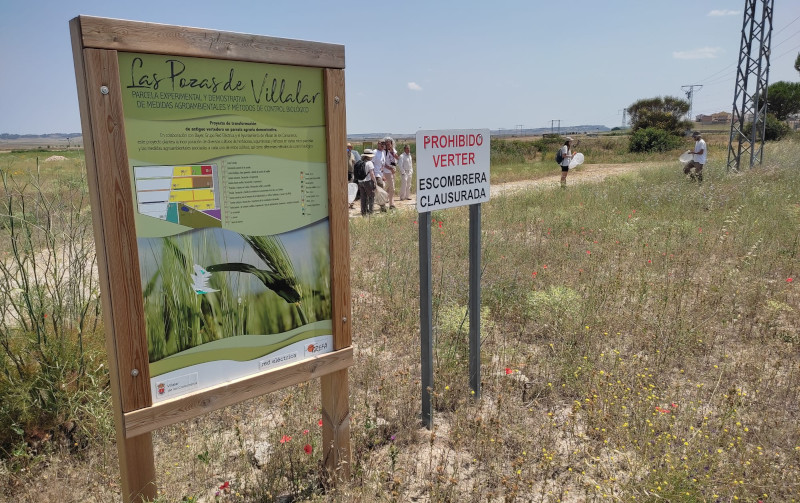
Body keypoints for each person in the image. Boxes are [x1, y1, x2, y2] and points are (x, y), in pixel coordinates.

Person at [357, 149, 376, 215]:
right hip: (368, 181)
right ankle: (371, 212)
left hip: (360, 182)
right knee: (371, 196)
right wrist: (375, 182)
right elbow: (372, 174)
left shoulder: (360, 162)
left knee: (363, 198)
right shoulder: (369, 163)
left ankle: (363, 213)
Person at [381, 137, 398, 209]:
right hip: (386, 171)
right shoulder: (383, 152)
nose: (388, 144)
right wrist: (390, 168)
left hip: (392, 170)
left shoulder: (393, 150)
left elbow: (397, 159)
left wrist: (393, 153)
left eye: (389, 143)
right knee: (392, 188)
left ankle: (384, 201)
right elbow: (383, 163)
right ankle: (391, 204)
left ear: (391, 143)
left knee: (390, 188)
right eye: (387, 143)